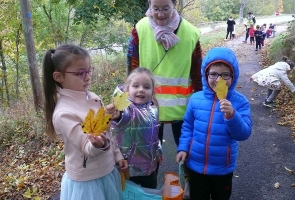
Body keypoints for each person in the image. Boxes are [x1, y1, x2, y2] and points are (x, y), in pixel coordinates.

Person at [42, 44, 128, 200]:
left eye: (89, 71)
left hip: (107, 171)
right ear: (59, 77)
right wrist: (99, 144)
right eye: (80, 73)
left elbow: (107, 132)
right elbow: (87, 147)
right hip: (88, 181)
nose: (88, 77)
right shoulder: (64, 113)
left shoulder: (92, 96)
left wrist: (117, 155)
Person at [176, 47, 252, 200]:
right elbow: (187, 126)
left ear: (233, 76)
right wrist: (183, 147)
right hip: (195, 165)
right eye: (214, 74)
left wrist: (232, 115)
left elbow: (243, 134)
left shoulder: (240, 102)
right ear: (205, 74)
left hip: (222, 168)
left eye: (225, 75)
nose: (219, 80)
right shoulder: (196, 99)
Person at [126, 0, 203, 147]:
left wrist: (202, 100)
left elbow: (197, 71)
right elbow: (132, 66)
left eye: (165, 9)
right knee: (149, 157)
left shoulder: (191, 33)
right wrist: (129, 95)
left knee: (188, 155)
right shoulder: (140, 29)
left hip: (182, 108)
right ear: (149, 4)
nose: (160, 14)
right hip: (146, 105)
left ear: (175, 4)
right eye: (155, 8)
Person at [106, 67, 163, 189]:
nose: (141, 90)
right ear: (127, 89)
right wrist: (117, 115)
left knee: (148, 193)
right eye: (136, 86)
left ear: (153, 91)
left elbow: (154, 134)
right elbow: (122, 117)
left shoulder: (154, 109)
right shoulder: (128, 109)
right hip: (128, 167)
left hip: (149, 166)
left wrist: (158, 150)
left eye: (146, 87)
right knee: (130, 195)